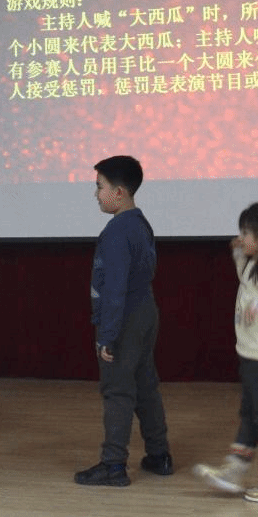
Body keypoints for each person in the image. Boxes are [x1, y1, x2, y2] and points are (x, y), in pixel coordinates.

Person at [74, 155, 172, 487]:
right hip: (145, 311)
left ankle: (113, 465)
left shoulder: (117, 231)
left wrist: (108, 335)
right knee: (145, 385)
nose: (96, 194)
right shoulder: (141, 223)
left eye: (99, 187)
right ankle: (159, 455)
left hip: (125, 317)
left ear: (119, 192)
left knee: (117, 389)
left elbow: (115, 287)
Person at [192, 201, 258, 503]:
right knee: (250, 416)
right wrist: (238, 252)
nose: (240, 237)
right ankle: (234, 471)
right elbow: (244, 276)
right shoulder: (253, 264)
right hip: (251, 356)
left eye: (246, 233)